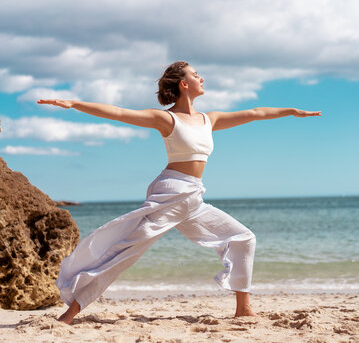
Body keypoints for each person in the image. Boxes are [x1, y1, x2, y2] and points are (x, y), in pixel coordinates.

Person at [37, 61, 321, 324]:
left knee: (243, 238)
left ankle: (243, 308)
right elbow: (121, 113)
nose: (201, 77)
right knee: (125, 252)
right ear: (184, 84)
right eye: (195, 74)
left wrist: (292, 111)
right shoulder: (167, 119)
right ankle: (71, 312)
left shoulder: (210, 119)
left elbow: (256, 114)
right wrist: (74, 104)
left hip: (193, 198)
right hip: (170, 195)